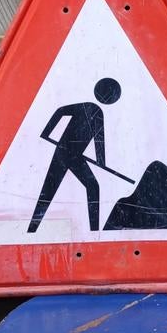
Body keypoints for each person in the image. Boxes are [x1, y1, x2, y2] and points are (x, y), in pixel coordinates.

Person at [28, 78, 121, 233]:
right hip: (64, 152)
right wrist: (46, 132)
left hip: (74, 156)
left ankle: (94, 231)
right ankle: (32, 229)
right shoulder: (90, 108)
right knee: (50, 190)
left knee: (89, 187)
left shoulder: (96, 112)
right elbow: (61, 111)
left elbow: (99, 140)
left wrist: (101, 162)